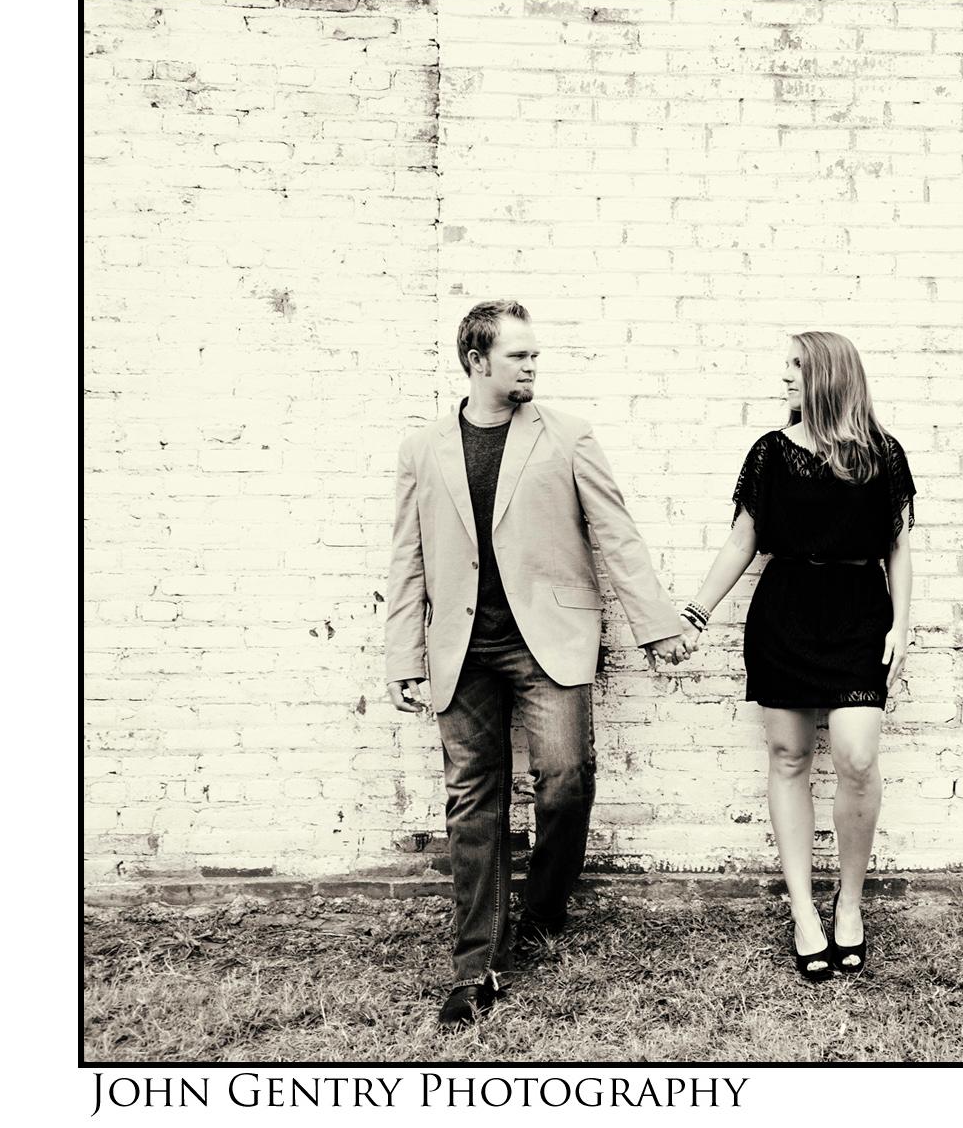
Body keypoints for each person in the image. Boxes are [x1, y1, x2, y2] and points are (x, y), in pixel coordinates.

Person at [383, 299, 689, 1026]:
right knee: (472, 803)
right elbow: (407, 558)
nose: (532, 366)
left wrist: (656, 625)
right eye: (519, 355)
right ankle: (478, 965)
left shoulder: (568, 435)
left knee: (565, 779)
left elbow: (617, 534)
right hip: (460, 647)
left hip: (548, 639)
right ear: (477, 359)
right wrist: (403, 655)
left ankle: (545, 908)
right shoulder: (423, 448)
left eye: (534, 355)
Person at [676, 331, 914, 981]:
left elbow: (897, 547)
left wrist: (901, 623)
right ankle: (805, 912)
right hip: (784, 612)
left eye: (796, 366)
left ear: (828, 377)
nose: (784, 376)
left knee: (857, 758)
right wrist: (696, 612)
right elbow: (742, 541)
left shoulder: (882, 454)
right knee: (788, 758)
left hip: (859, 613)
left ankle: (851, 905)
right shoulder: (771, 454)